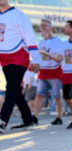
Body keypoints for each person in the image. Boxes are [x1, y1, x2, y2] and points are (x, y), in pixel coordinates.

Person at [0, 0, 40, 133]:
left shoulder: (20, 15)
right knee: (16, 91)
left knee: (11, 89)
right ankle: (28, 120)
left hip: (19, 57)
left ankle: (2, 121)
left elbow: (30, 37)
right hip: (4, 59)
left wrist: (35, 59)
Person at [32, 19, 64, 126]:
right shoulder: (41, 42)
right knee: (39, 95)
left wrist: (46, 53)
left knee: (57, 96)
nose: (43, 28)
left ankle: (59, 117)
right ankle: (35, 117)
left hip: (55, 72)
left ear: (51, 28)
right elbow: (39, 58)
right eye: (42, 26)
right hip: (43, 73)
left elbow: (59, 58)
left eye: (46, 25)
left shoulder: (58, 41)